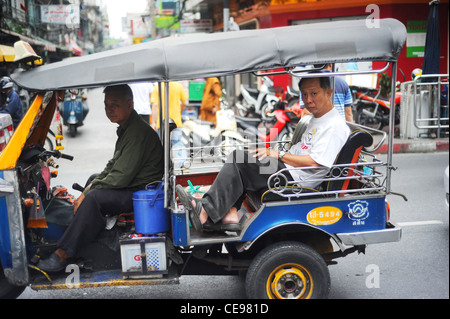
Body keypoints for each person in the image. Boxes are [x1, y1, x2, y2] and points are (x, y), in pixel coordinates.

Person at [177, 76, 350, 232]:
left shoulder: (334, 125)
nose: (308, 100)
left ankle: (206, 212)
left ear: (329, 93)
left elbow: (315, 162)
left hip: (295, 181)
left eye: (314, 93)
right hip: (289, 170)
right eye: (304, 94)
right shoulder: (317, 118)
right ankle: (229, 214)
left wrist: (278, 155)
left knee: (240, 159)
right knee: (246, 157)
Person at [37, 84, 164, 272]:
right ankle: (87, 229)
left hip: (142, 194)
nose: (109, 109)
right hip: (132, 184)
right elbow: (113, 166)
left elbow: (120, 177)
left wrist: (88, 193)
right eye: (106, 105)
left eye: (115, 104)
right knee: (93, 179)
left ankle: (63, 253)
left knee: (94, 197)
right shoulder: (128, 128)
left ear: (130, 104)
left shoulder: (137, 133)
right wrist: (92, 185)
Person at [151, 82, 189, 168]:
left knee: (161, 145)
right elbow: (185, 102)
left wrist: (154, 122)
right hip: (176, 121)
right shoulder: (178, 86)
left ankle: (160, 166)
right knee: (177, 142)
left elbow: (155, 105)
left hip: (162, 122)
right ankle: (183, 164)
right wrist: (179, 112)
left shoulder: (157, 87)